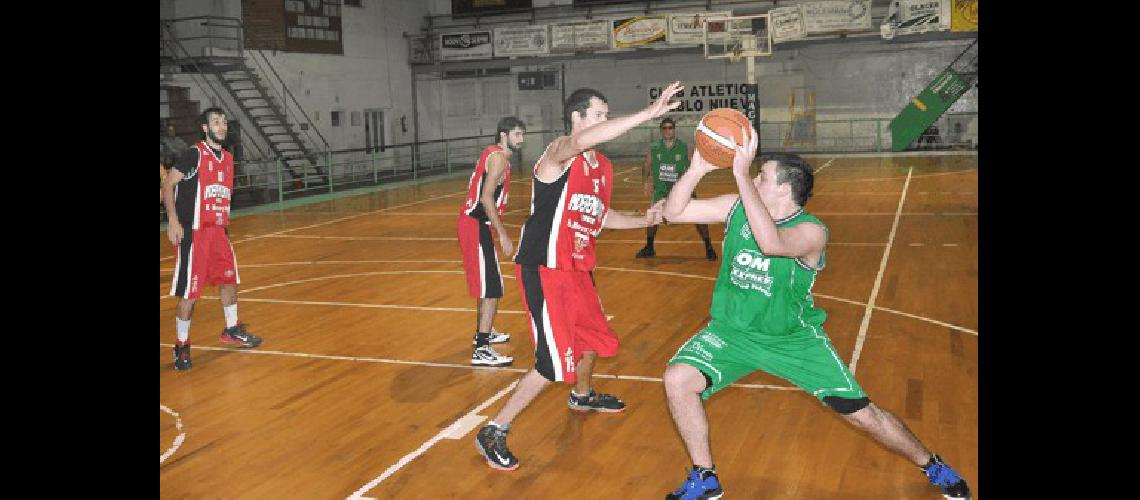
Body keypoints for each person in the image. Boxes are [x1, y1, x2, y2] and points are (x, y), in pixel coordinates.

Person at [658, 127, 972, 499]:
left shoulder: (811, 232)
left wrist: (742, 176)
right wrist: (695, 169)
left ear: (784, 189)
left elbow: (771, 244)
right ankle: (705, 476)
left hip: (792, 339)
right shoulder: (735, 207)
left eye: (763, 176)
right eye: (754, 174)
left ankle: (931, 463)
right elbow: (673, 212)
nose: (755, 176)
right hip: (732, 332)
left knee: (861, 413)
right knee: (678, 379)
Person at [473, 83, 683, 471]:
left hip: (578, 269)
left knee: (592, 339)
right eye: (600, 115)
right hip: (544, 268)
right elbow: (582, 142)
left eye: (606, 115)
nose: (605, 121)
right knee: (552, 364)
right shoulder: (558, 154)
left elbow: (601, 217)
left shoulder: (602, 168)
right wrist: (646, 114)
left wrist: (645, 220)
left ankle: (581, 395)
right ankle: (494, 429)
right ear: (577, 119)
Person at [162, 108, 263, 371]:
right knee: (189, 294)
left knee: (230, 281)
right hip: (194, 234)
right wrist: (172, 220)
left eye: (224, 122)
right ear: (205, 128)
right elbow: (168, 184)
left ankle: (231, 329)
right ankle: (181, 345)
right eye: (215, 123)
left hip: (219, 232)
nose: (221, 126)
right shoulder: (194, 154)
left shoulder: (228, 159)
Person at [458, 116, 526, 367]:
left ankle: (484, 332)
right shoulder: (498, 158)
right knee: (493, 286)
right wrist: (504, 233)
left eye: (523, 134)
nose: (522, 139)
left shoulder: (497, 156)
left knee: (489, 282)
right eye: (517, 134)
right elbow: (486, 198)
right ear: (503, 136)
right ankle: (482, 347)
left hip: (478, 226)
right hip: (475, 225)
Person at [636, 117, 717, 261]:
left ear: (674, 129)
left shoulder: (685, 147)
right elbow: (646, 165)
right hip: (661, 189)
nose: (668, 130)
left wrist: (691, 183)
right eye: (665, 128)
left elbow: (695, 166)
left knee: (699, 217)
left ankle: (709, 246)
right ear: (661, 130)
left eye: (670, 128)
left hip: (682, 189)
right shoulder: (654, 147)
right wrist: (645, 181)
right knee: (653, 217)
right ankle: (649, 247)